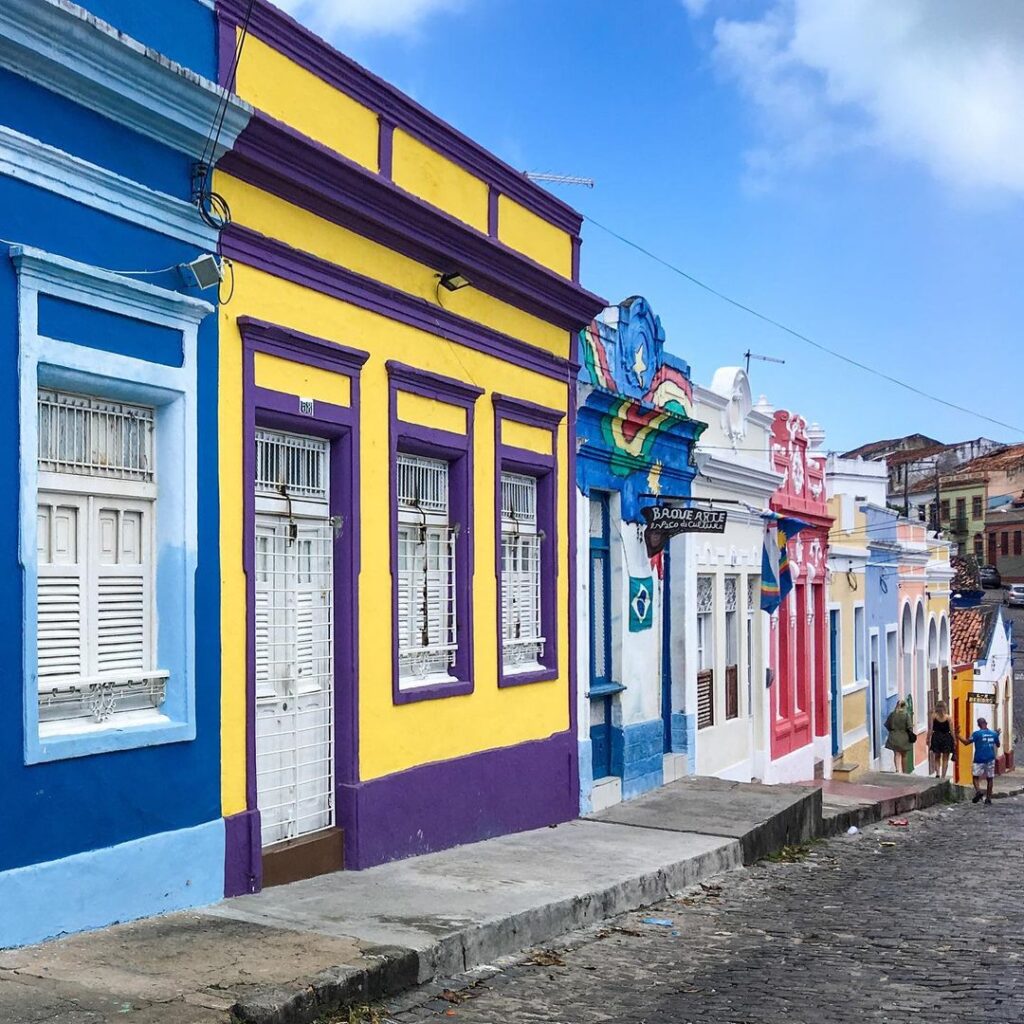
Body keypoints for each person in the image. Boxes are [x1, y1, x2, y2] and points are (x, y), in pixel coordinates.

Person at [958, 716, 1001, 805]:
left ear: (978, 725)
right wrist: (997, 735)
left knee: (975, 777)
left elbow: (966, 743)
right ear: (986, 724)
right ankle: (988, 799)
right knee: (990, 778)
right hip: (990, 758)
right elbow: (998, 745)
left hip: (979, 758)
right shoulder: (993, 734)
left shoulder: (976, 734)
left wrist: (957, 735)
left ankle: (978, 791)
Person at [927, 701, 955, 779]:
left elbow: (930, 729)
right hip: (946, 737)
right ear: (945, 708)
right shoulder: (948, 718)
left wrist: (928, 738)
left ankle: (937, 773)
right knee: (945, 758)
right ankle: (943, 776)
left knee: (937, 756)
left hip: (936, 737)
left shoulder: (933, 717)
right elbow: (952, 731)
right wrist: (954, 740)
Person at [884, 699, 914, 773]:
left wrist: (892, 731)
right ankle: (904, 771)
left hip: (894, 736)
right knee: (904, 755)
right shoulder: (906, 715)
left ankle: (897, 770)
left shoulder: (892, 714)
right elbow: (910, 727)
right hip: (904, 737)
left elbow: (887, 725)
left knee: (896, 754)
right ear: (905, 706)